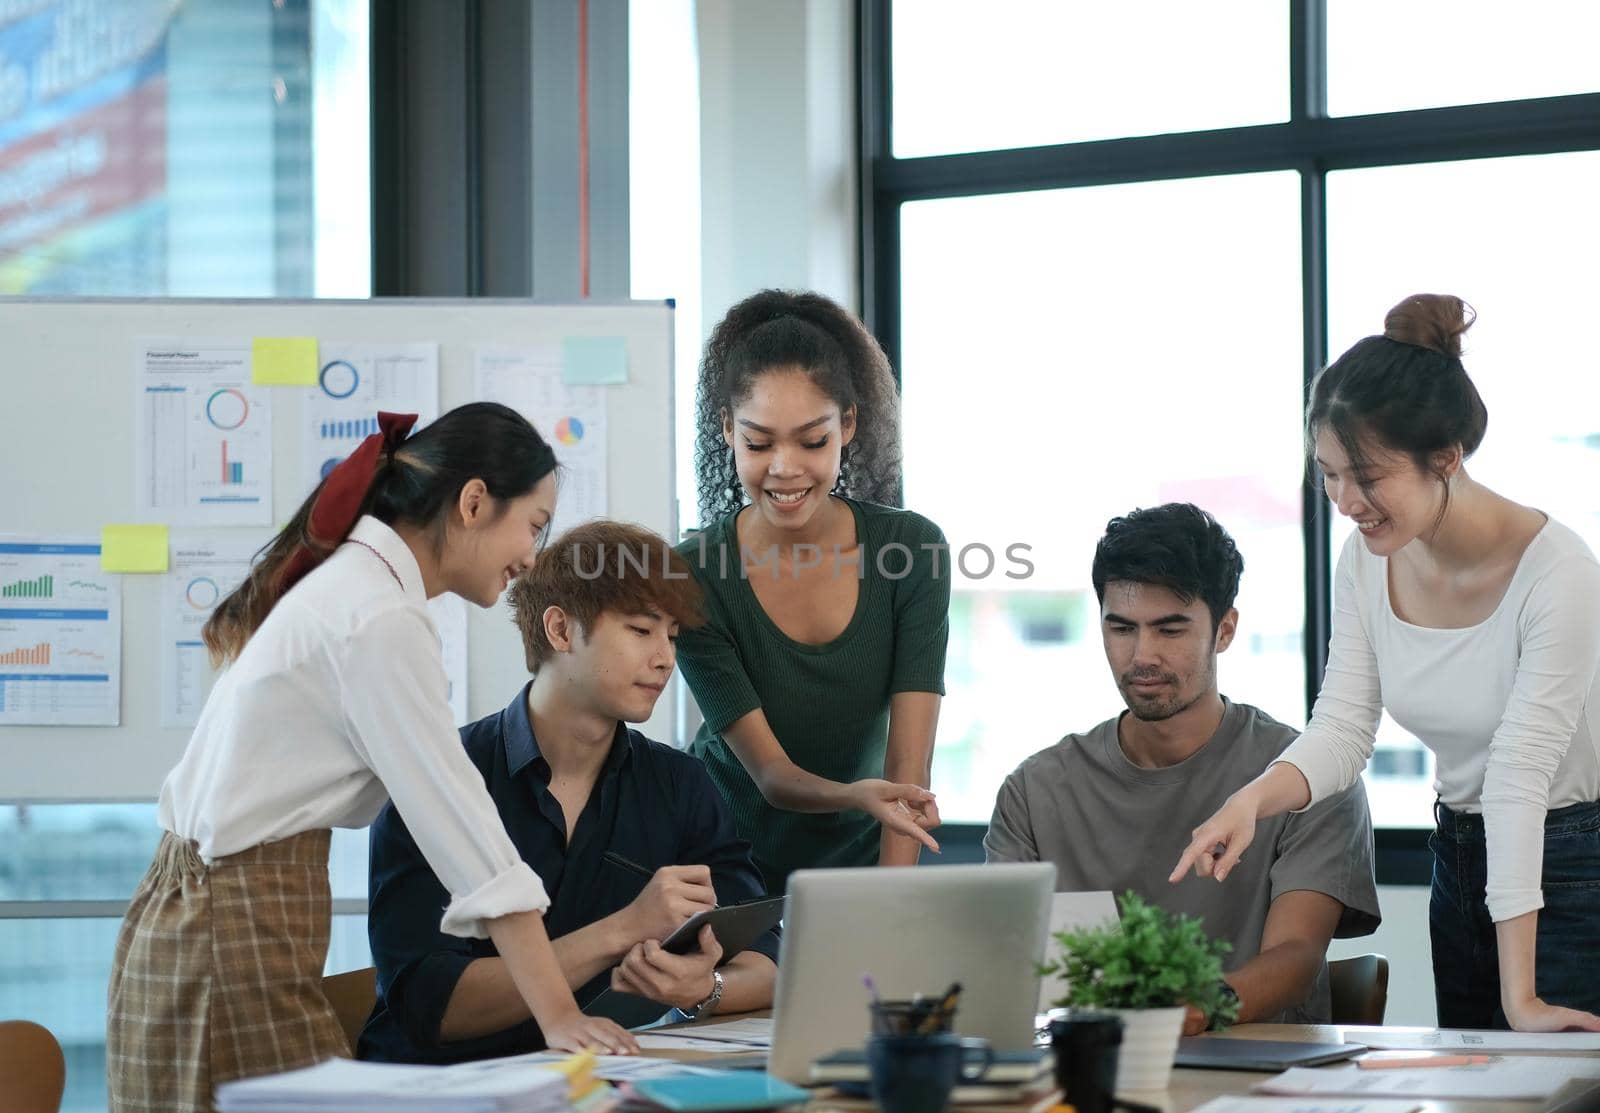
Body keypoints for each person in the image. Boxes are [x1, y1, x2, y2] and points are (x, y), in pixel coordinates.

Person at [107, 405, 636, 1113]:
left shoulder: (358, 583)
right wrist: (558, 1015)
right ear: (474, 502)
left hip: (212, 910)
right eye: (533, 525)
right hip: (229, 920)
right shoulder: (380, 616)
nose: (532, 556)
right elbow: (465, 829)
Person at [1174, 295, 1600, 1032]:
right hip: (1460, 855)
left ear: (1446, 457)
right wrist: (1251, 800)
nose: (1346, 501)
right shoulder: (1366, 563)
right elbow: (1342, 727)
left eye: (1366, 476)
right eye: (1329, 474)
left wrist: (1520, 995)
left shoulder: (1558, 572)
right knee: (1478, 1090)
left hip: (1570, 860)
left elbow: (1520, 773)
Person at [360, 520, 779, 1064]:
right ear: (560, 630)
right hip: (443, 1087)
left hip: (596, 1077)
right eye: (640, 630)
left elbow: (766, 959)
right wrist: (623, 930)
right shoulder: (442, 775)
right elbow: (432, 1005)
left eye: (672, 636)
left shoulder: (681, 784)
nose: (665, 658)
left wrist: (701, 988)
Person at [986, 503, 1379, 1033]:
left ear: (1224, 631)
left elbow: (1296, 958)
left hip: (1257, 1078)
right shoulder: (1033, 792)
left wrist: (1187, 1014)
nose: (1141, 655)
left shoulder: (1306, 779)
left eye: (1170, 630)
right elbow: (1005, 958)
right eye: (1121, 628)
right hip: (1084, 1074)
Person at [674, 289, 949, 895]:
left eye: (812, 440)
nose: (785, 467)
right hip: (725, 860)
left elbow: (908, 768)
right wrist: (861, 795)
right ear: (727, 430)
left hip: (865, 846)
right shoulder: (691, 572)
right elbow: (771, 777)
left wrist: (888, 900)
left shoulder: (914, 552)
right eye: (759, 442)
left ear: (847, 424)